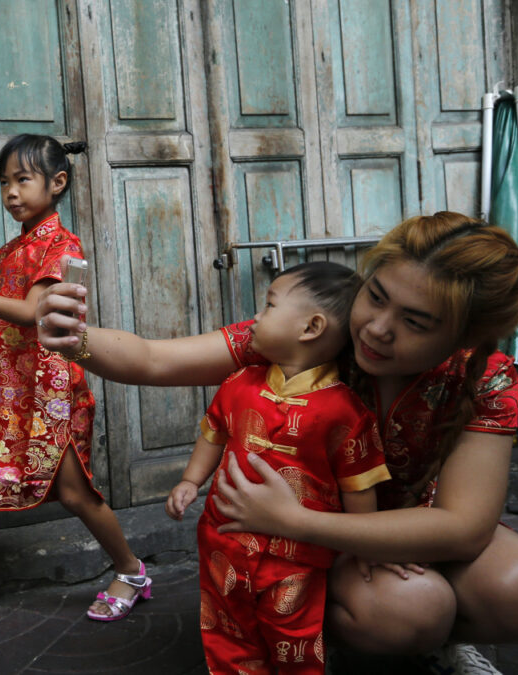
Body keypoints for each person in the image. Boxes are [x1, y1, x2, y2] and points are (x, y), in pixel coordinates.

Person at [36, 211, 518, 669]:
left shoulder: (486, 377)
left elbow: (464, 527)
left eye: (415, 321)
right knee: (413, 609)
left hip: (377, 527)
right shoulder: (318, 340)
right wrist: (75, 338)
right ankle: (301, 637)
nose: (377, 329)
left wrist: (294, 520)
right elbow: (154, 359)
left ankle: (432, 641)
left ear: (464, 336)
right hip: (309, 546)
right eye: (376, 297)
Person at [0, 134, 149, 651]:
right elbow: (12, 321)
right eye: (4, 182)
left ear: (57, 183)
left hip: (52, 392)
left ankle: (131, 571)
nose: (11, 192)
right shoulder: (10, 251)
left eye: (23, 179)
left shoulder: (61, 246)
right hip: (8, 388)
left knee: (73, 492)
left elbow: (34, 313)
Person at [165, 261, 390, 674]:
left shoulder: (345, 412)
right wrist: (190, 479)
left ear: (310, 327)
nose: (256, 317)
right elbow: (214, 432)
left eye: (269, 306)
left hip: (297, 556)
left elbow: (358, 486)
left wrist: (365, 547)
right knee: (226, 629)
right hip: (225, 542)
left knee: (294, 639)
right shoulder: (239, 382)